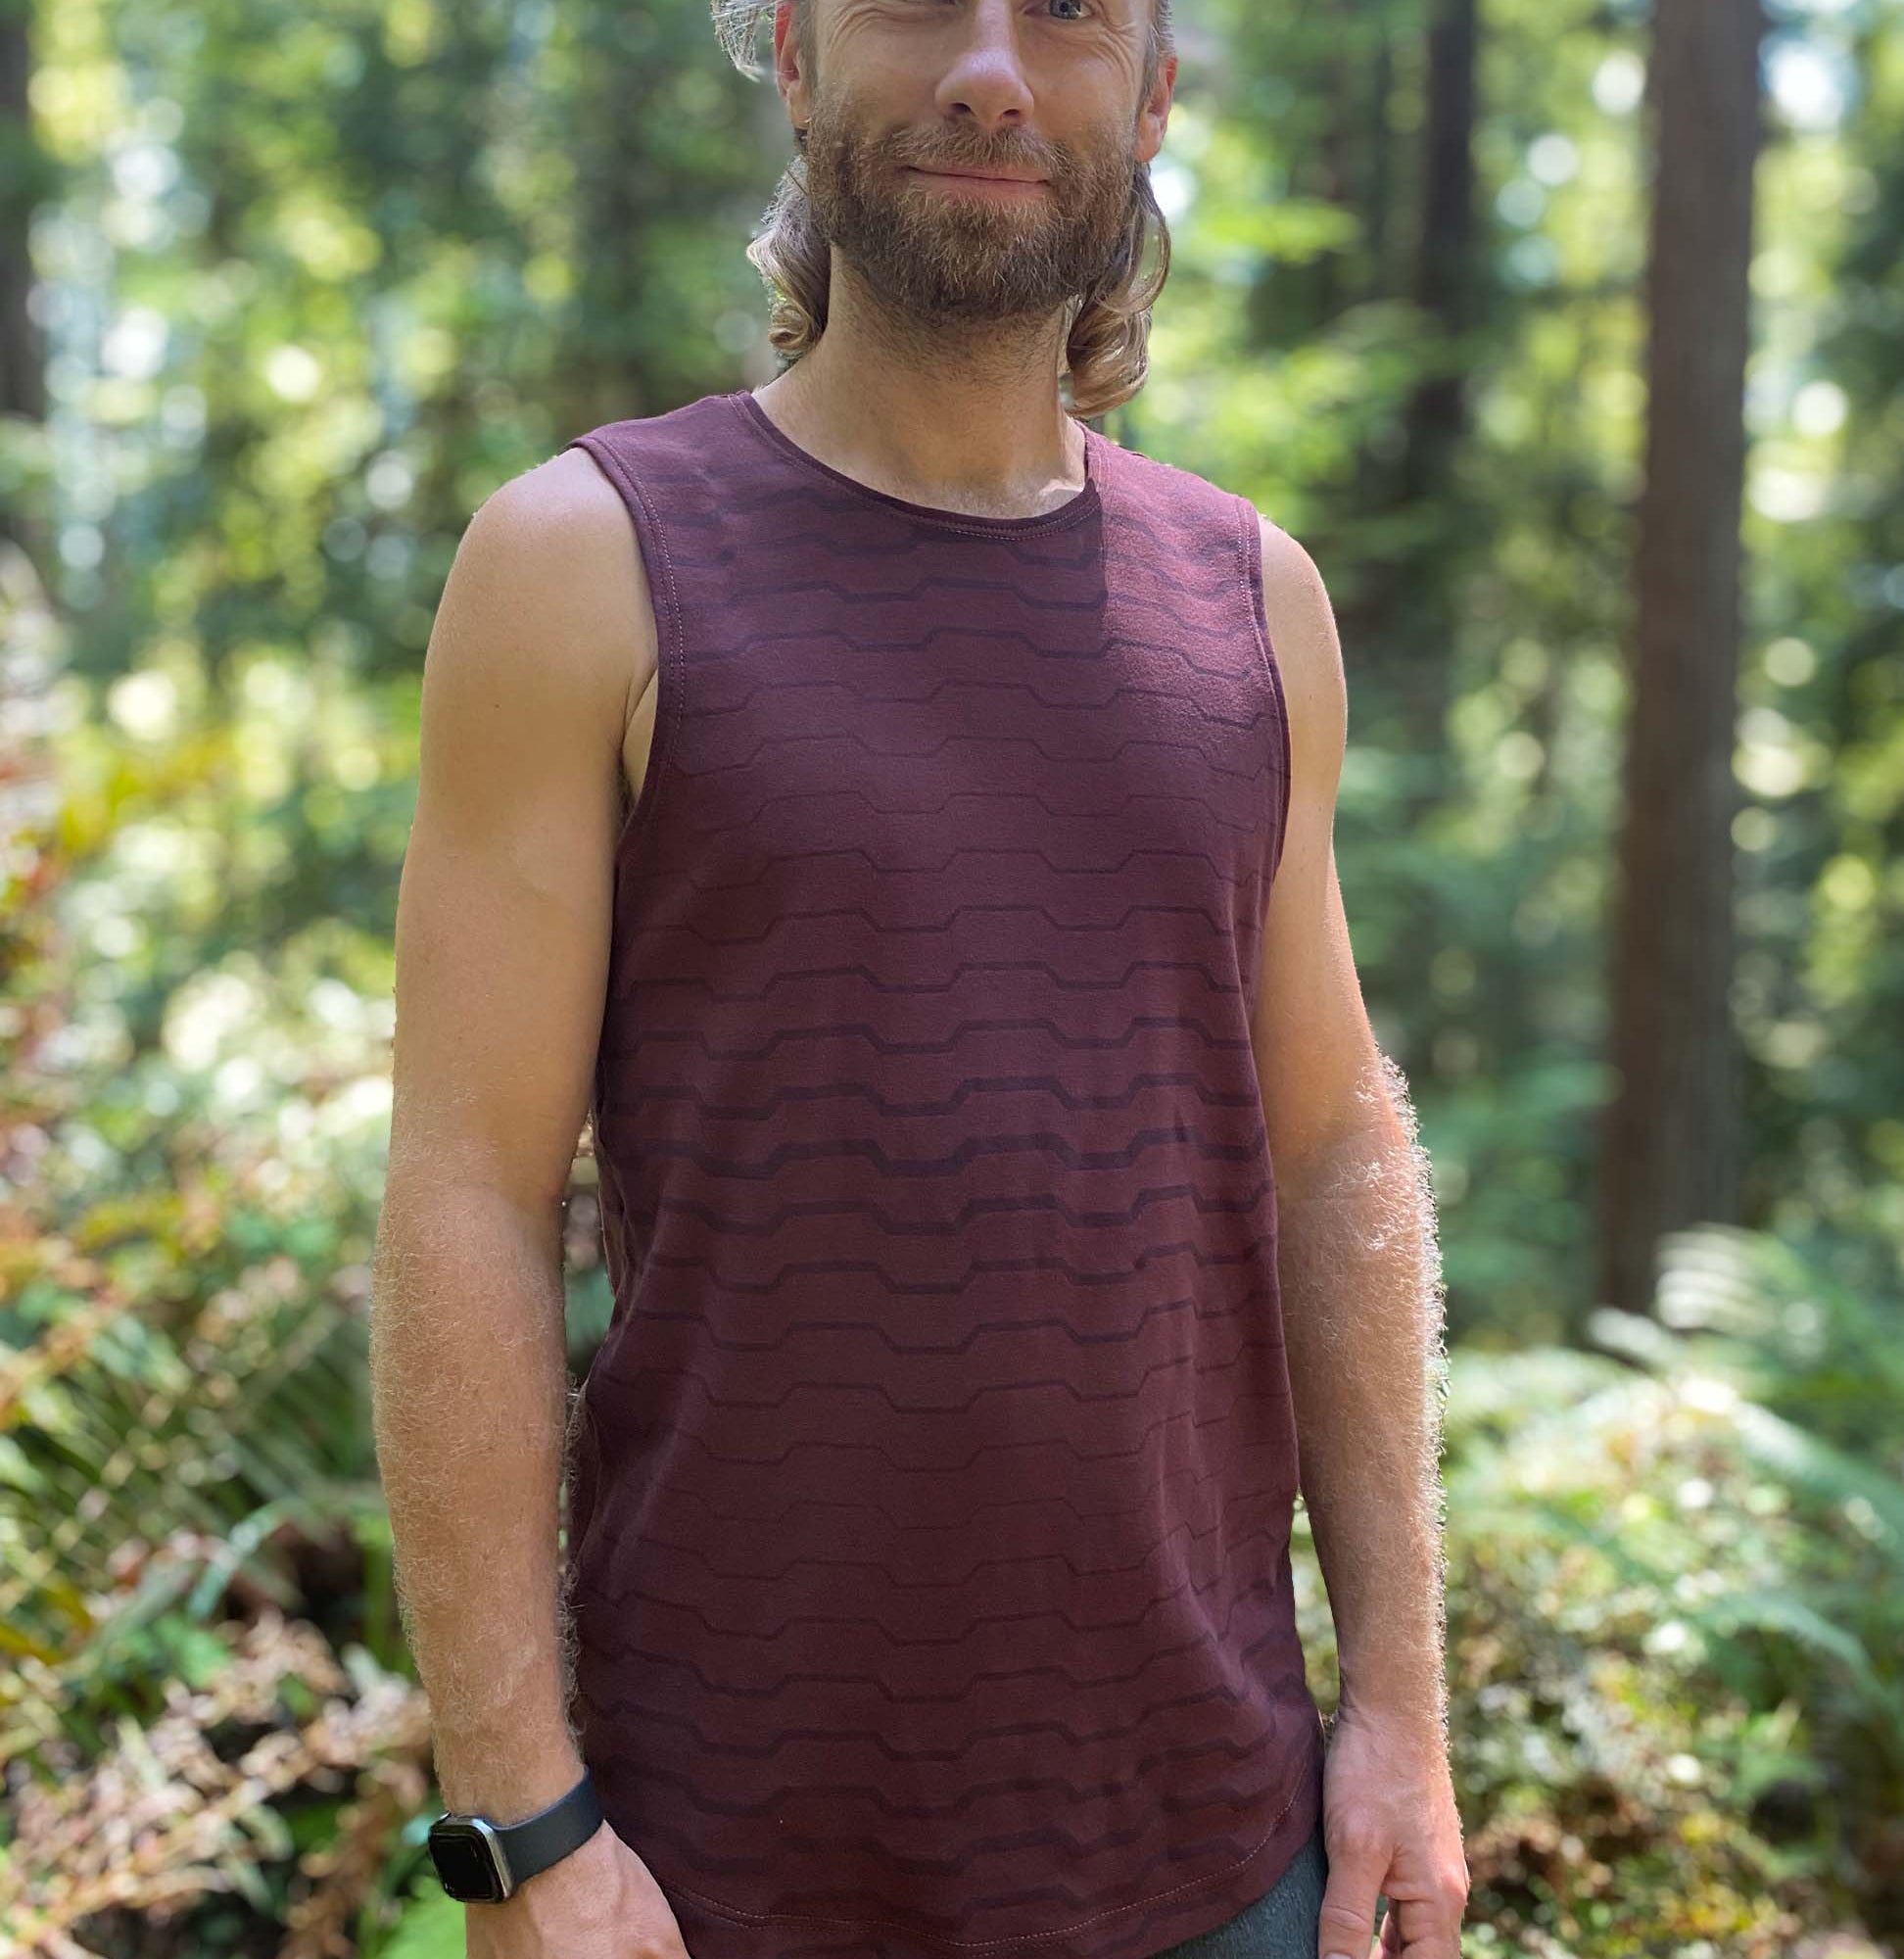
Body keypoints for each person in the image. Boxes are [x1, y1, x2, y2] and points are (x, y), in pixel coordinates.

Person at [369, 2, 1469, 1956]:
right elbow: (467, 1192)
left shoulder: (1252, 600)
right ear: (789, 52)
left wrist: (1400, 1708)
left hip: (1222, 1854)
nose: (987, 69)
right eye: (910, 2)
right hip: (717, 1872)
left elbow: (1331, 1150)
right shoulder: (588, 560)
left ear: (1152, 90)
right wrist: (521, 1824)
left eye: (1065, 15)